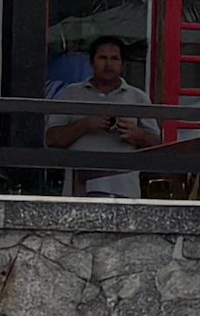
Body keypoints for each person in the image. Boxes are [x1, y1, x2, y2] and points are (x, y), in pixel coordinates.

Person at [39, 34, 169, 196]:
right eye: (102, 58)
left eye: (115, 59)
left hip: (124, 192)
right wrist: (86, 125)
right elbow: (51, 139)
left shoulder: (138, 97)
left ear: (122, 64)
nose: (109, 64)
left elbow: (160, 146)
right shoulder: (71, 93)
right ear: (92, 62)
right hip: (80, 192)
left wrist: (138, 135)